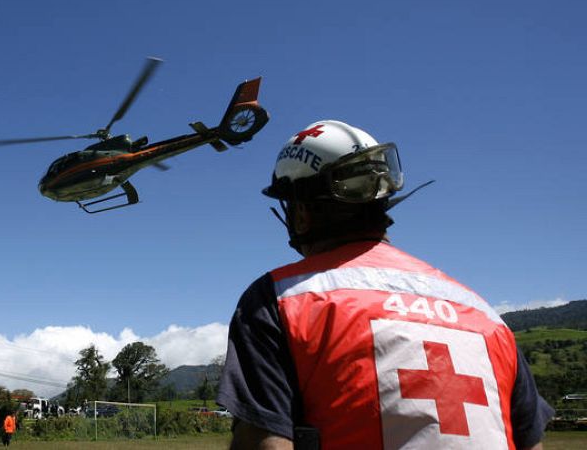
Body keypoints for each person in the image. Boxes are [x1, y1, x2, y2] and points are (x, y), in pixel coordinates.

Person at [217, 120, 554, 450]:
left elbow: (264, 442)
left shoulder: (279, 299)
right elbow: (531, 443)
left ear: (301, 213)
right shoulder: (484, 314)